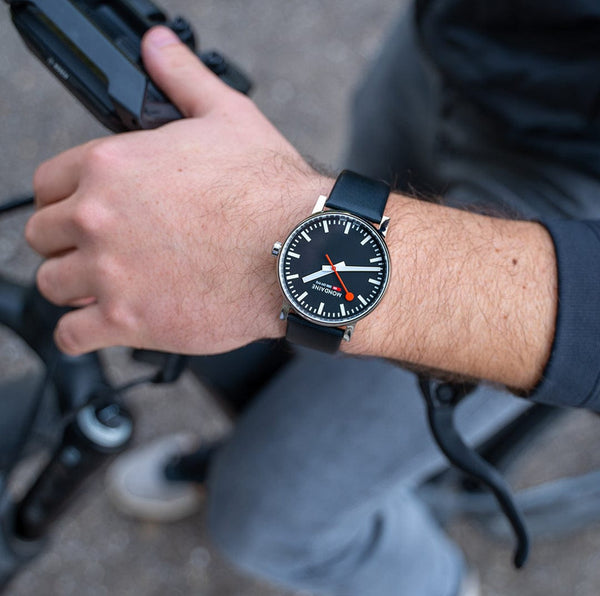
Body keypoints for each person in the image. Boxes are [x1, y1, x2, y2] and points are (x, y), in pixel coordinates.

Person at [23, 2, 600, 595]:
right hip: (449, 47)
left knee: (268, 516)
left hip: (577, 192)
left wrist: (275, 233)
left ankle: (438, 583)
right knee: (299, 346)